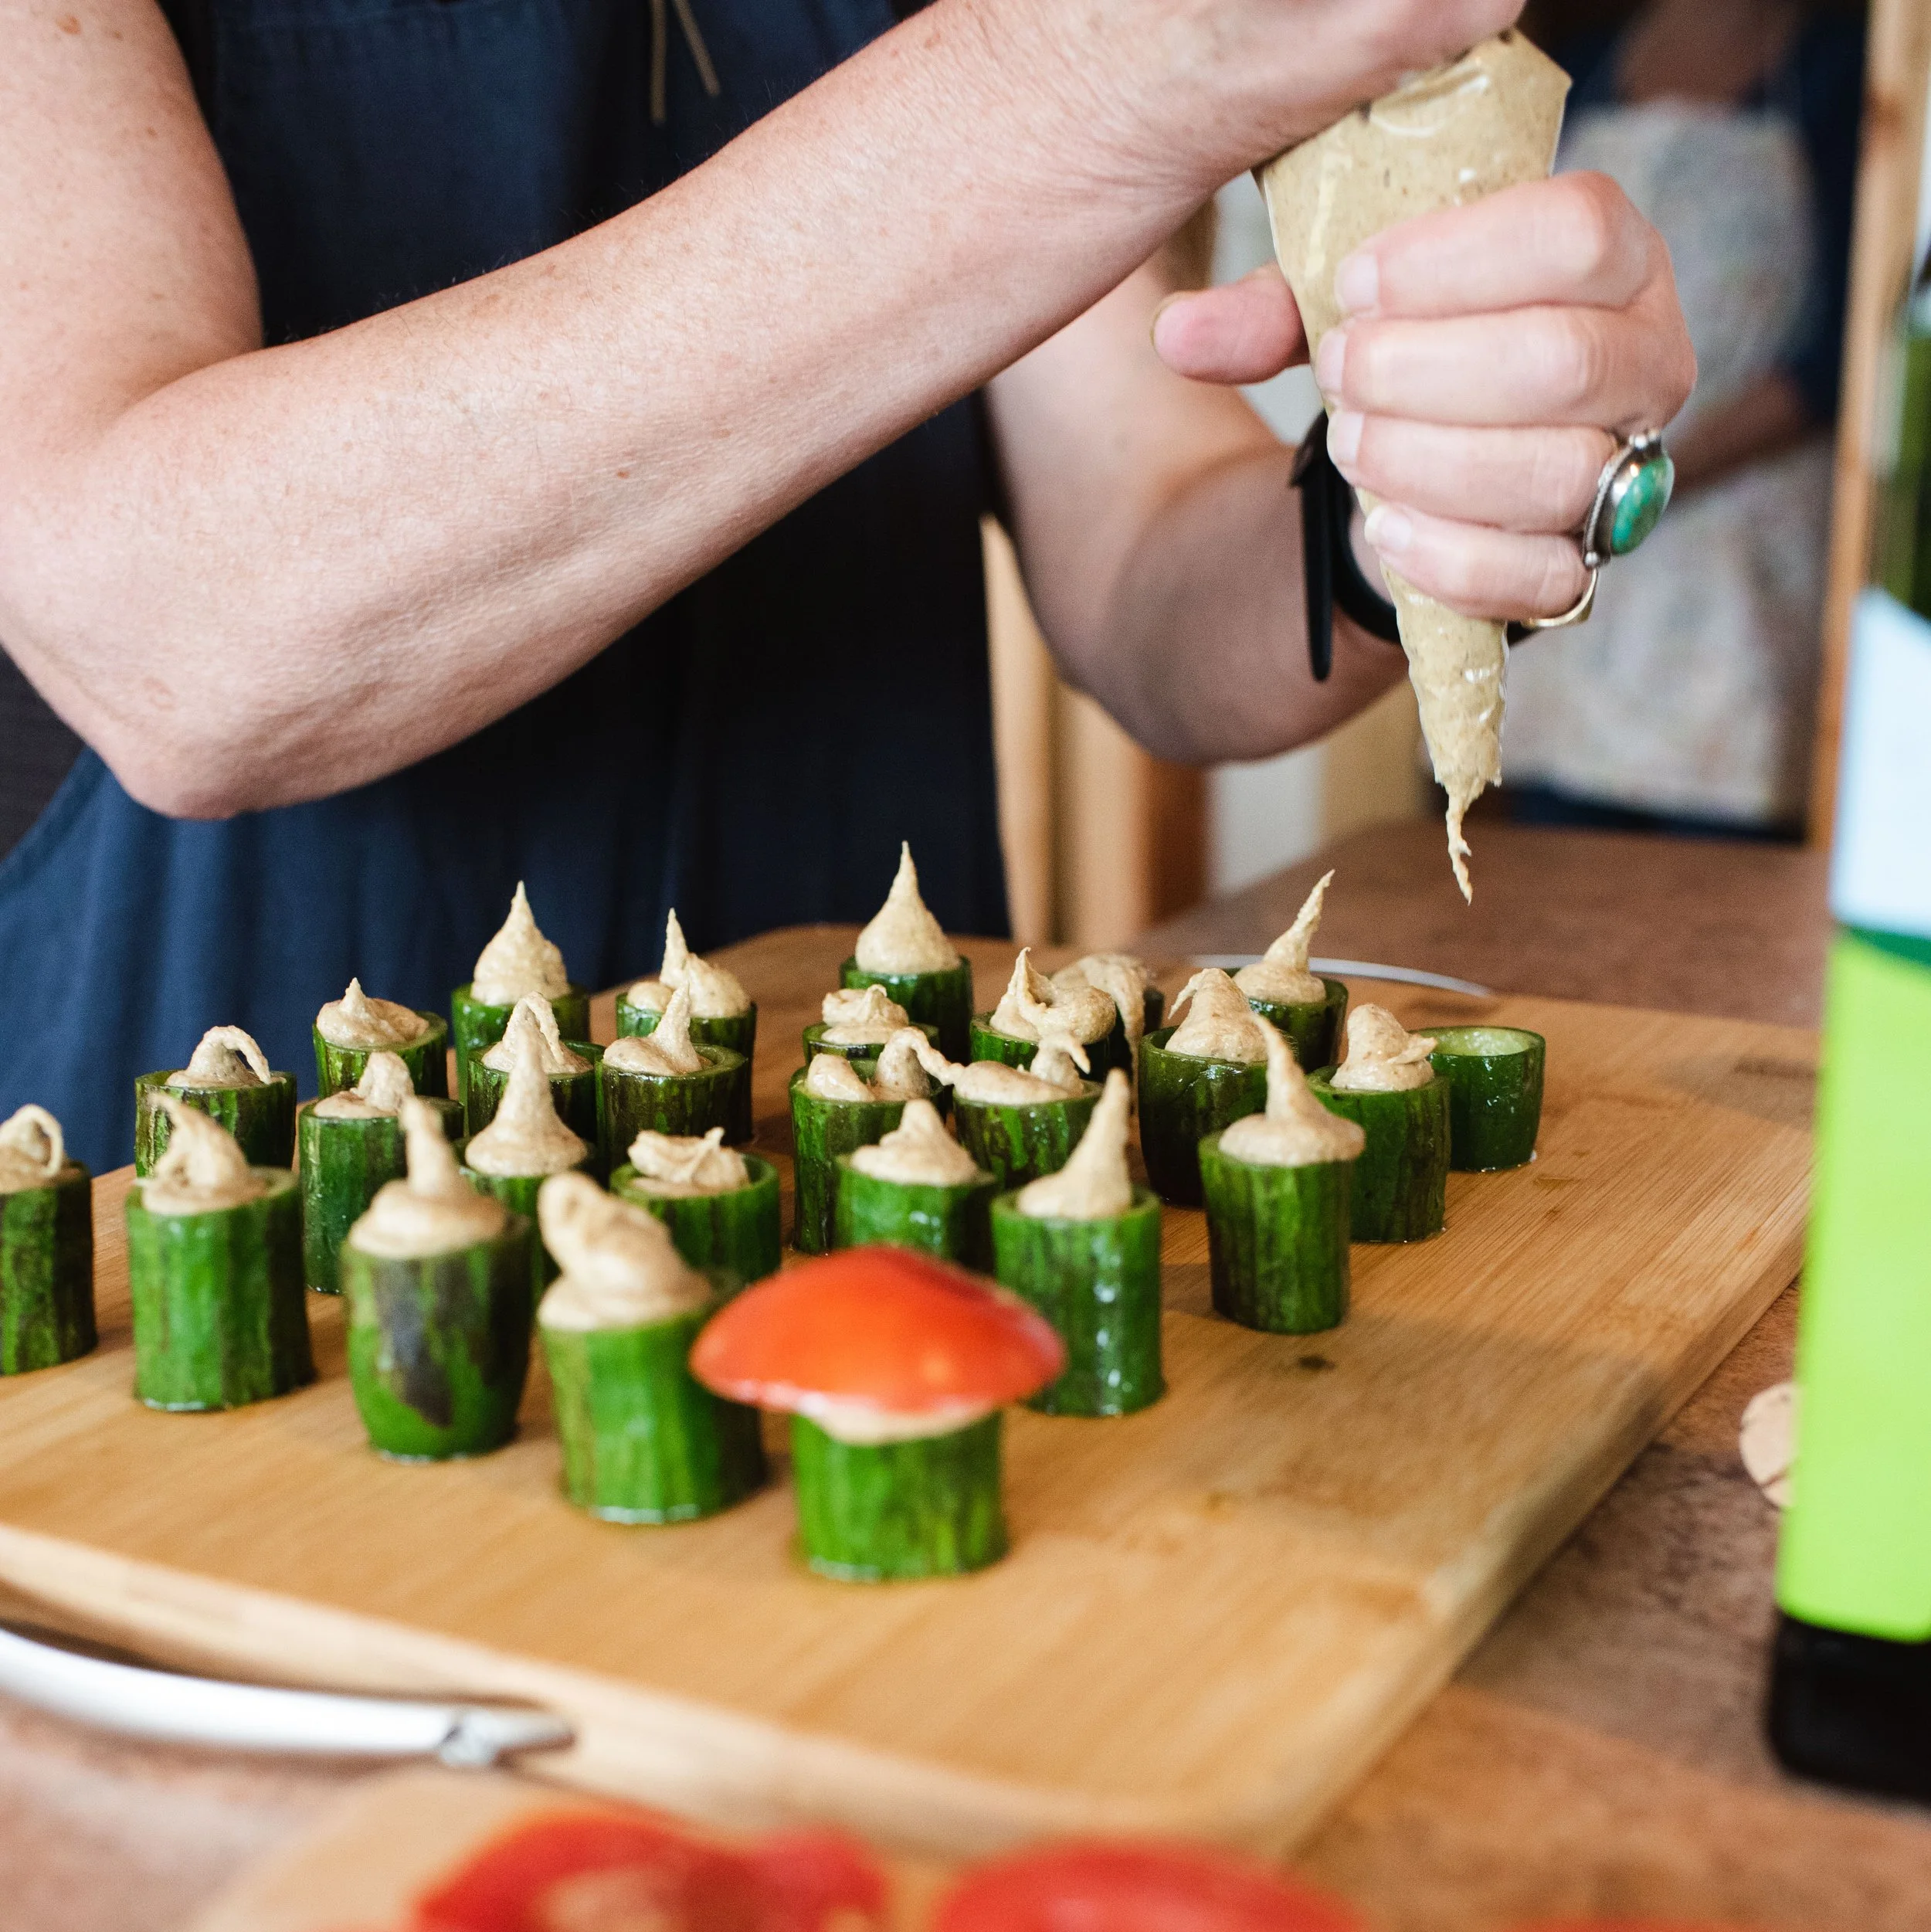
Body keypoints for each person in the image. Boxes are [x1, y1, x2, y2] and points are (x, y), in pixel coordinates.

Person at [0, 0, 1695, 1163]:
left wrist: (1395, 506)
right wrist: (1073, 90)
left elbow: (1149, 567)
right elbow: (167, 636)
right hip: (208, 1222)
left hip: (881, 1182)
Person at [1505, 0, 1867, 837]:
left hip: (1738, 565)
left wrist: (1643, 480)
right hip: (1580, 559)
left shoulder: (1832, 70)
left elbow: (1842, 352)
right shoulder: (1582, 66)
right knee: (1551, 866)